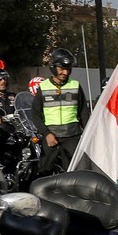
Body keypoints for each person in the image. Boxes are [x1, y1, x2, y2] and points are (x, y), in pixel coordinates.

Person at [32, 47, 90, 175]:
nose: (65, 72)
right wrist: (46, 134)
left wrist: (87, 134)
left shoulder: (75, 85)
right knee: (44, 172)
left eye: (68, 69)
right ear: (53, 67)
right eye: (62, 68)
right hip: (51, 136)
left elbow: (83, 112)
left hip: (72, 136)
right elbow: (35, 114)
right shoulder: (43, 87)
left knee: (75, 173)